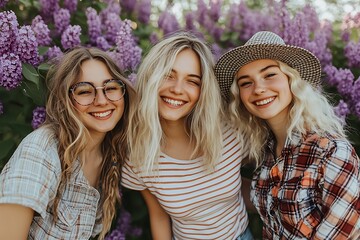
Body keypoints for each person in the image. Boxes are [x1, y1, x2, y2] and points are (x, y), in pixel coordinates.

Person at [215, 31, 360, 239]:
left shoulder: (332, 153)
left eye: (270, 75)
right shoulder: (267, 151)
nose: (258, 89)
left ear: (292, 81)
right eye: (246, 82)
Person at [121, 32, 253, 240]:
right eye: (168, 75)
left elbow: (263, 178)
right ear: (151, 78)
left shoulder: (230, 131)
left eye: (192, 81)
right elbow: (159, 216)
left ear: (204, 90)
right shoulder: (138, 154)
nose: (177, 89)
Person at [0, 47, 135, 239]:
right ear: (65, 100)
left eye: (111, 87)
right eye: (84, 91)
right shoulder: (41, 151)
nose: (102, 100)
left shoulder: (110, 152)